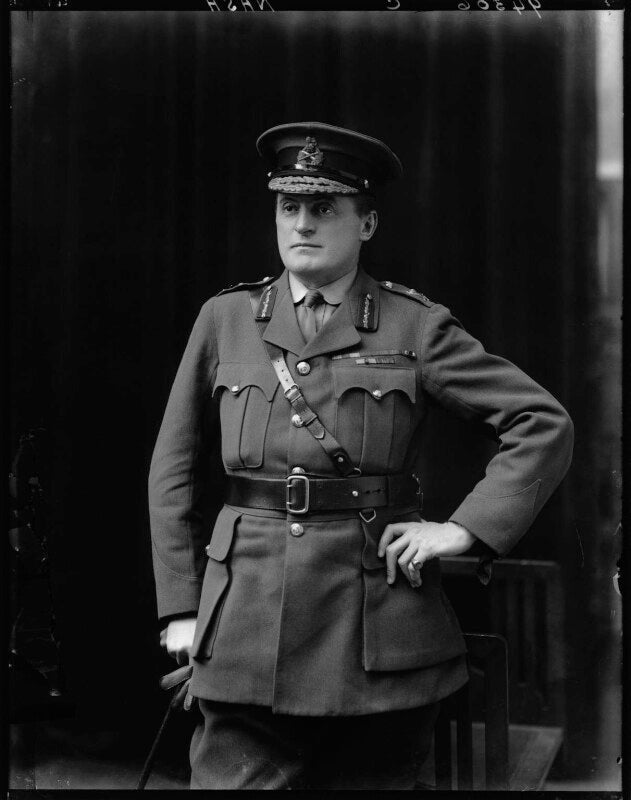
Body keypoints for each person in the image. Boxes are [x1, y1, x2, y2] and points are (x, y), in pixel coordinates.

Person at [148, 121, 574, 790]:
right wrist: (180, 607)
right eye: (289, 206)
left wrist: (463, 529)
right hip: (245, 625)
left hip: (377, 633)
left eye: (324, 208)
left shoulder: (414, 325)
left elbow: (540, 421)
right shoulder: (224, 319)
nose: (302, 224)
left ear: (366, 223)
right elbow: (171, 469)